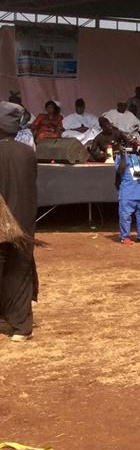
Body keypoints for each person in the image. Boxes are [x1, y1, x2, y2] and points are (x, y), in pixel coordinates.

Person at [0, 101, 38, 341]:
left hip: (1, 223)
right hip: (24, 220)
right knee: (20, 271)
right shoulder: (28, 153)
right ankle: (21, 327)